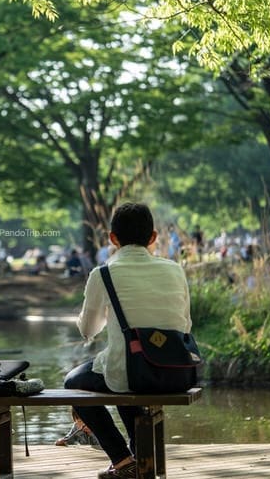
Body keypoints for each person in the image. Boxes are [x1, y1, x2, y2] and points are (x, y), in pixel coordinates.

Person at [64, 202, 192, 478]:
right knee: (121, 368)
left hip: (132, 372)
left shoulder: (104, 274)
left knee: (76, 381)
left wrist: (84, 318)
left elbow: (88, 330)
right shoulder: (175, 270)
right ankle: (140, 454)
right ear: (153, 237)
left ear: (112, 238)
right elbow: (186, 324)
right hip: (177, 372)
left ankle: (122, 459)